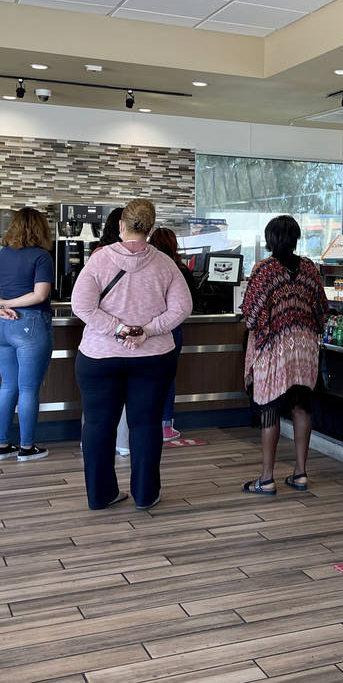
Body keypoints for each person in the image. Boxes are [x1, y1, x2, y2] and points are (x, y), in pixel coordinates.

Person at [72, 199, 192, 510]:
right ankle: (145, 494)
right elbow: (182, 308)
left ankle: (101, 495)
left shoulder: (98, 260)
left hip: (99, 356)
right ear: (150, 229)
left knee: (98, 425)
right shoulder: (165, 264)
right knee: (147, 424)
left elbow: (82, 307)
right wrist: (147, 330)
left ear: (122, 226)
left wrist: (117, 328)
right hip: (153, 357)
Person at [239, 215, 328, 495]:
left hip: (274, 348)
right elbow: (322, 310)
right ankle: (300, 473)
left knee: (270, 410)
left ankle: (267, 478)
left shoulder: (264, 270)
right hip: (304, 348)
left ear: (270, 239)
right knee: (302, 407)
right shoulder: (310, 269)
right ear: (296, 238)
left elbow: (251, 314)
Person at [0, 207, 55, 462]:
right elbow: (40, 294)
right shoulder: (42, 257)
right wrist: (9, 304)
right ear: (41, 229)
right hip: (29, 325)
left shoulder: (1, 256)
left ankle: (1, 446)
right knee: (28, 389)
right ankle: (26, 447)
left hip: (0, 327)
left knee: (8, 385)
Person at [149, 227, 198, 441]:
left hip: (148, 329)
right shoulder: (180, 270)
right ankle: (165, 425)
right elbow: (190, 302)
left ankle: (145, 422)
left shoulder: (149, 268)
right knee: (168, 378)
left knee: (146, 379)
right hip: (172, 329)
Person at [91, 207, 132, 456]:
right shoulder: (152, 257)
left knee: (99, 399)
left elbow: (83, 302)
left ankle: (94, 444)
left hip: (102, 337)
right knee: (125, 395)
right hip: (130, 337)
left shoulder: (98, 253)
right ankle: (123, 443)